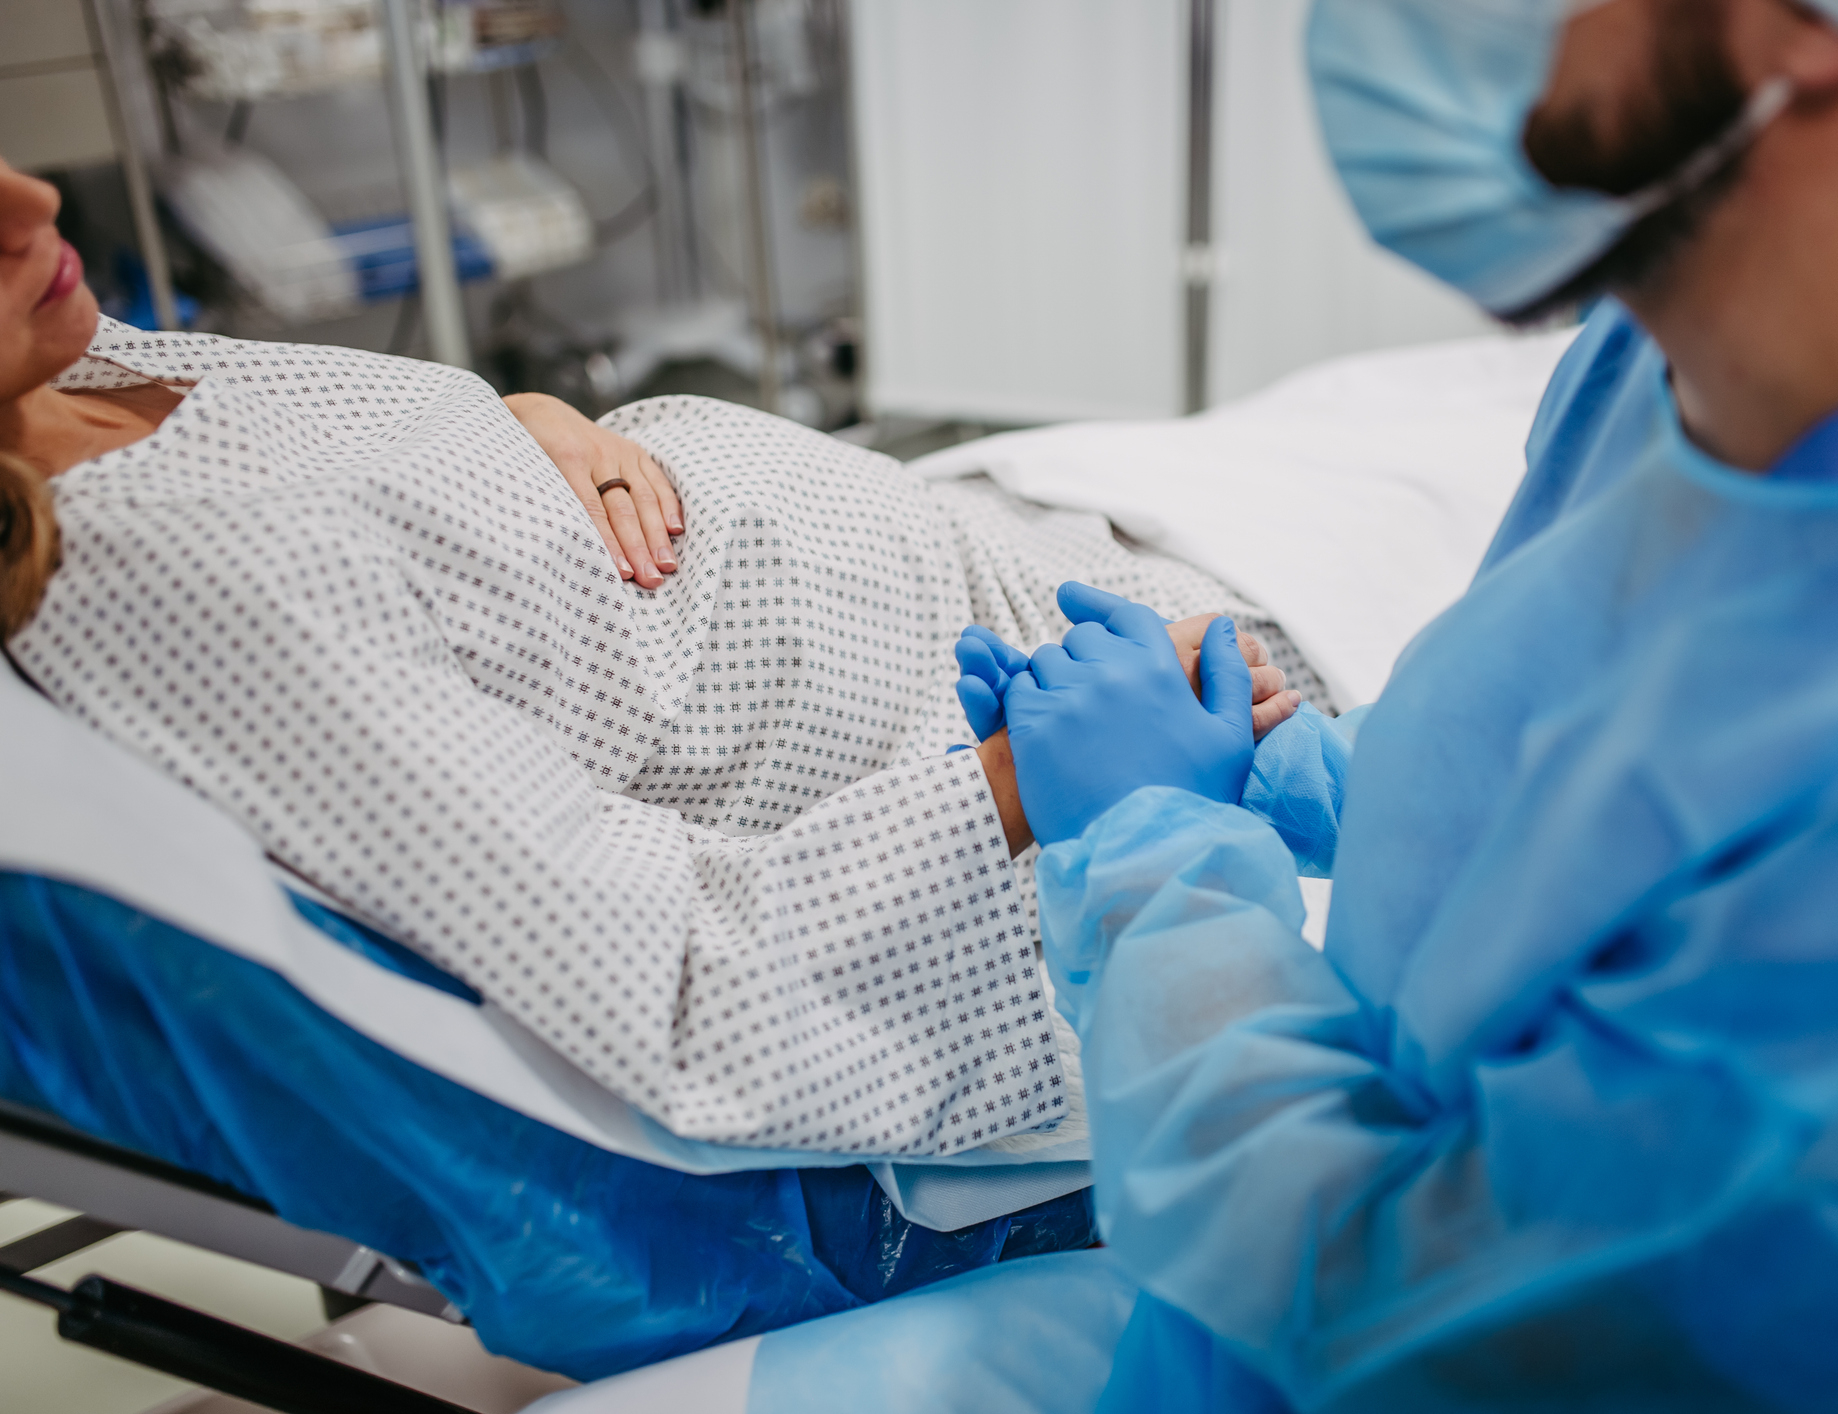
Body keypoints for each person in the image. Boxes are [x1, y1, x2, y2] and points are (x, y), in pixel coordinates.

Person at [860, 0, 1838, 1409]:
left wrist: (1148, 849)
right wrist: (1290, 772)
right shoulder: (1685, 318)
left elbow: (1424, 1326)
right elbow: (1595, 758)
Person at [0, 152, 1309, 1372]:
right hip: (1001, 689)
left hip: (974, 567)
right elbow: (658, 965)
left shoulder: (81, 367)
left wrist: (515, 418)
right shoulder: (155, 576)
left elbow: (390, 527)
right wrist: (1029, 774)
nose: (35, 200)